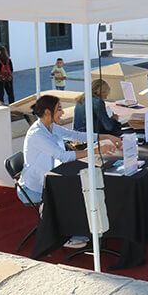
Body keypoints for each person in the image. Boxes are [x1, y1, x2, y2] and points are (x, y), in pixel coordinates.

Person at [18, 95, 120, 248]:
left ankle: (88, 227)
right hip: (34, 187)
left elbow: (75, 135)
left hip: (50, 177)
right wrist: (97, 150)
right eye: (59, 109)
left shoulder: (51, 126)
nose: (63, 112)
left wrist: (105, 136)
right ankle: (71, 234)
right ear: (47, 112)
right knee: (75, 193)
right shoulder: (37, 134)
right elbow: (63, 156)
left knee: (80, 187)